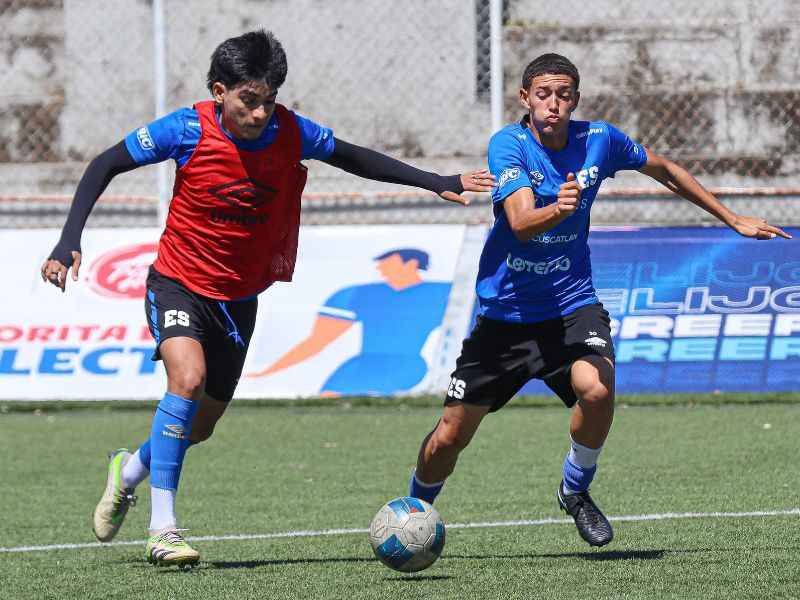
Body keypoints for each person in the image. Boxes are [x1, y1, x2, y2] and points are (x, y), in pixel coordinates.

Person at [40, 30, 494, 568]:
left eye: (268, 101)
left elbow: (353, 156)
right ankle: (163, 528)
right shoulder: (185, 129)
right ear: (219, 92)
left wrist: (432, 179)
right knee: (185, 380)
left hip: (239, 297)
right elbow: (103, 164)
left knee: (200, 424)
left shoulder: (290, 132)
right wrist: (70, 239)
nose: (258, 113)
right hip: (178, 281)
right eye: (247, 101)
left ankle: (130, 470)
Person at [405, 53, 790, 547]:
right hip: (506, 316)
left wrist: (731, 218)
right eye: (543, 94)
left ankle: (575, 488)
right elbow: (521, 224)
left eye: (564, 95)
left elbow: (665, 169)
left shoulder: (599, 141)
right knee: (449, 438)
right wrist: (558, 208)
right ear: (525, 98)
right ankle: (413, 510)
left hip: (571, 304)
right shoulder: (509, 145)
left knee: (599, 389)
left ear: (575, 100)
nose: (553, 105)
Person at [247, 248, 451, 395]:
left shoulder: (444, 292)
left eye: (388, 262)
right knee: (328, 399)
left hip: (406, 366)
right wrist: (267, 373)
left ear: (412, 264)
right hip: (362, 364)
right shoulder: (360, 294)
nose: (380, 267)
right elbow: (316, 341)